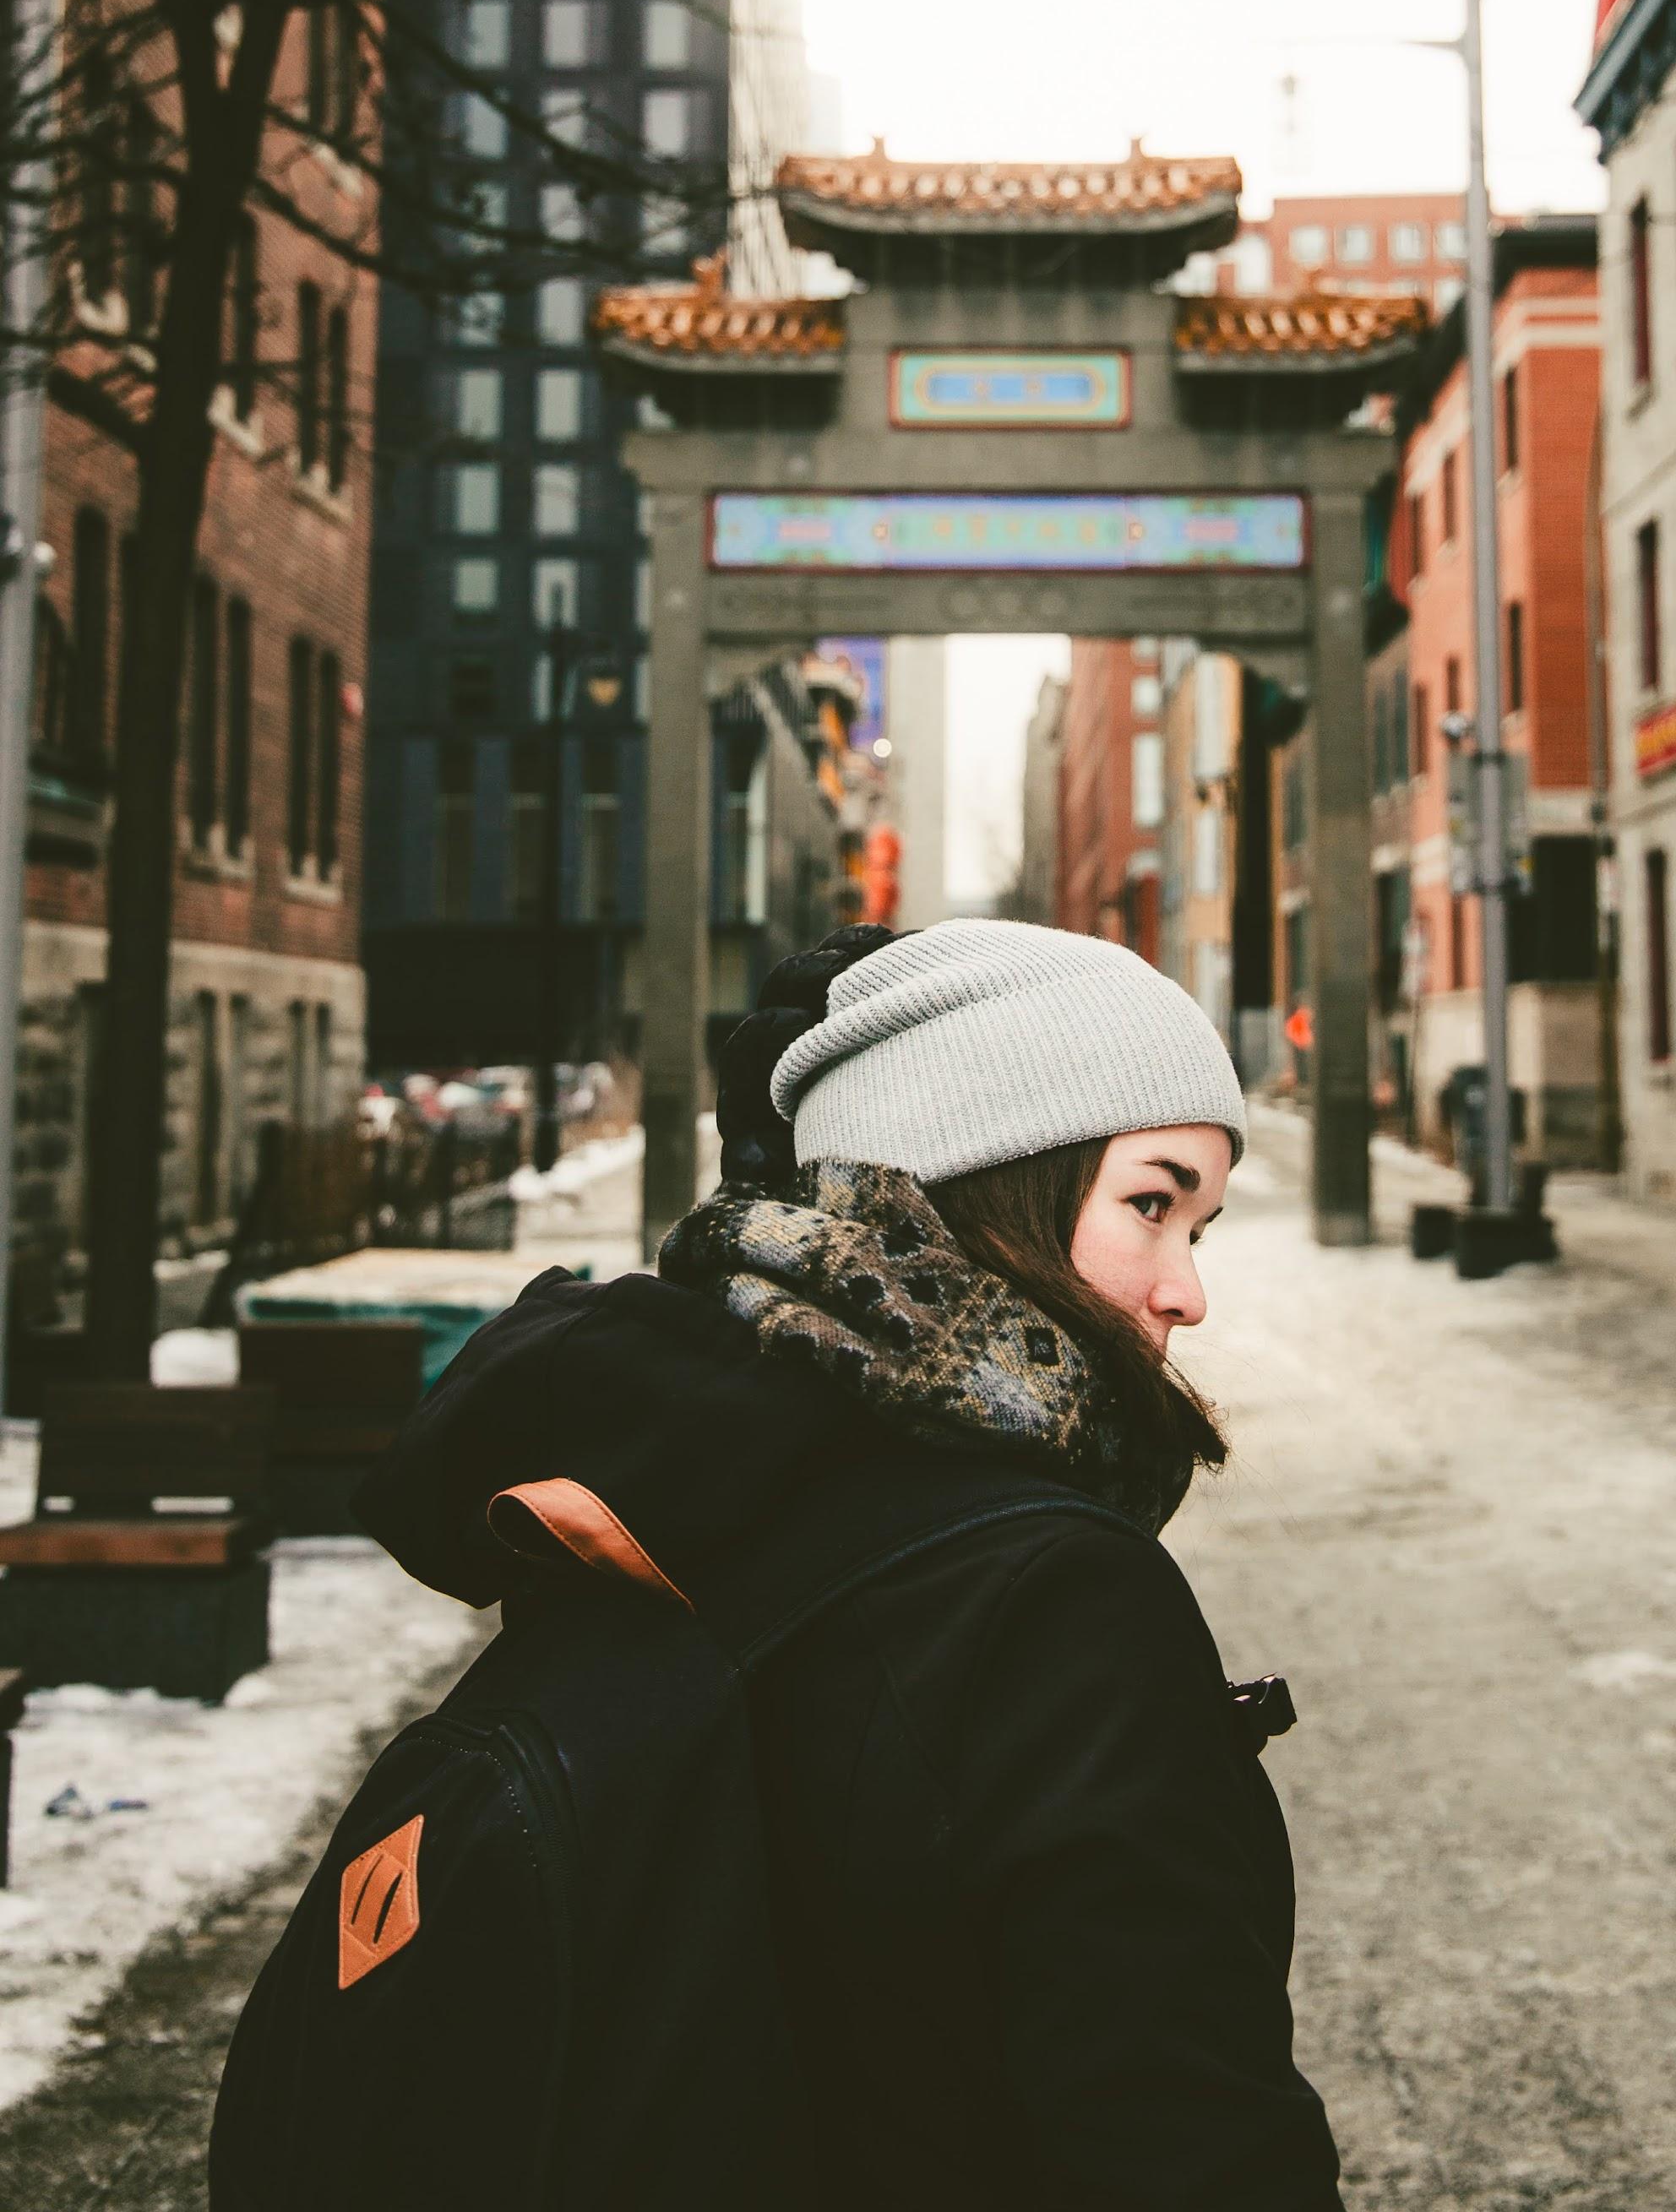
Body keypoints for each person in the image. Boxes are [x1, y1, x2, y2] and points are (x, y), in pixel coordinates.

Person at [354, 918, 1341, 2209]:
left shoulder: (684, 1482)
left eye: (1197, 1230)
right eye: (1150, 1203)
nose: (1186, 1293)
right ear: (988, 1185)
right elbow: (1176, 2129)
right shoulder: (1052, 1593)